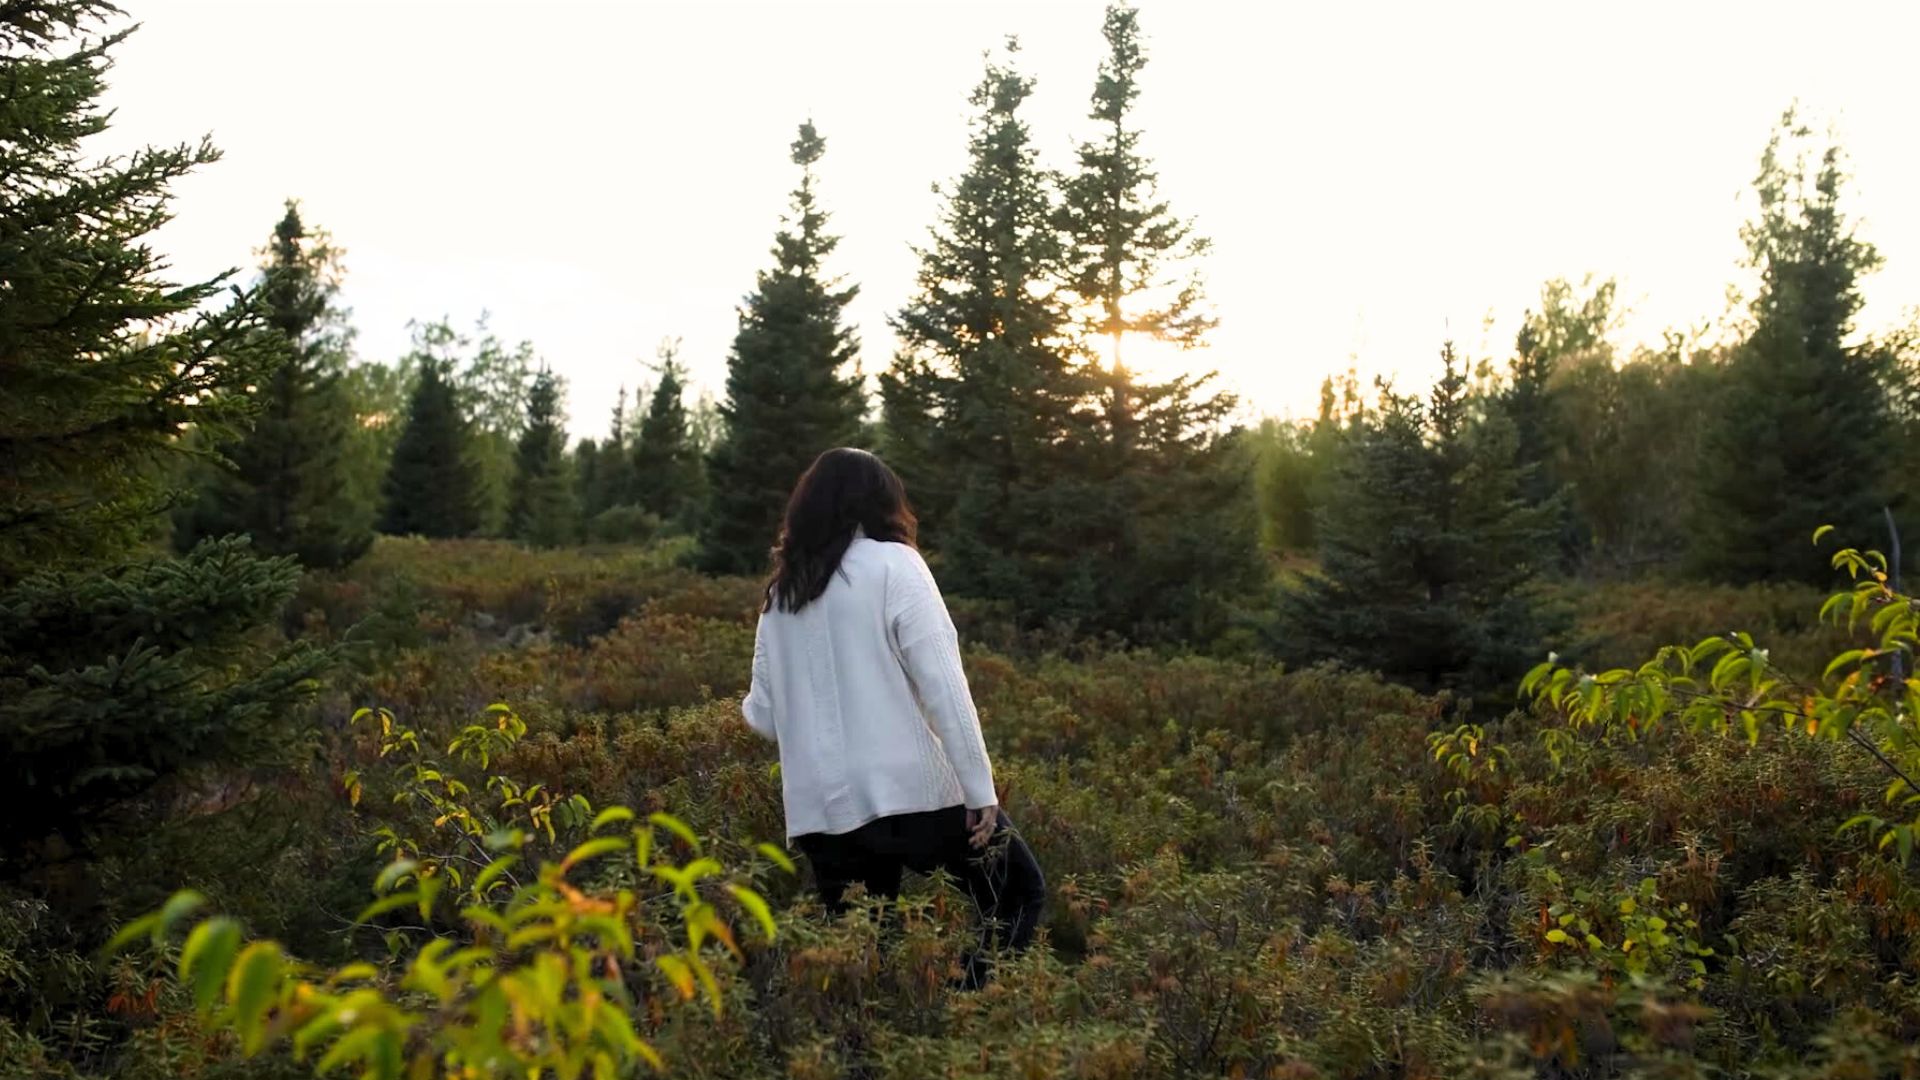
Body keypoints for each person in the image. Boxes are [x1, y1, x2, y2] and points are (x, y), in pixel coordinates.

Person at [742, 447, 1044, 987]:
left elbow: (761, 715)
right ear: (882, 503)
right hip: (913, 796)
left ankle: (868, 1058)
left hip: (824, 813)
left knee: (863, 957)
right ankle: (964, 1003)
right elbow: (945, 688)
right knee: (1019, 893)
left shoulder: (781, 596)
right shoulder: (895, 565)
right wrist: (980, 791)